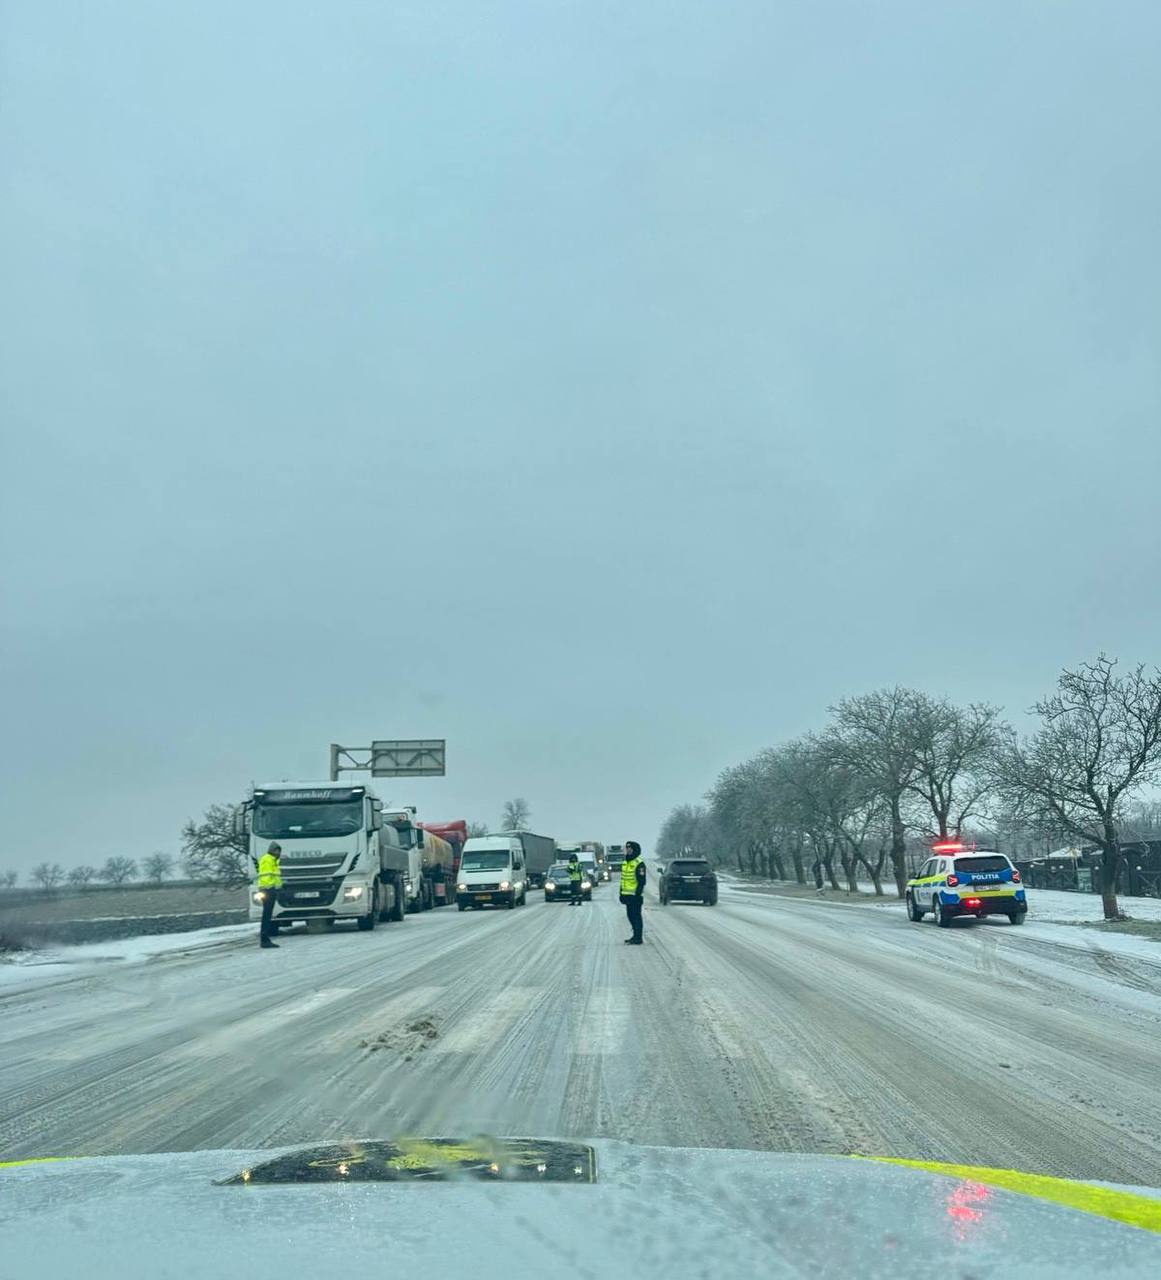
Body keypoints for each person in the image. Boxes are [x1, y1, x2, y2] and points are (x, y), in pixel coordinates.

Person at [257, 842, 283, 948]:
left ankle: (265, 938)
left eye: (279, 851)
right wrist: (270, 888)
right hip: (268, 890)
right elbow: (266, 875)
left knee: (267, 915)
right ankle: (264, 939)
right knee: (266, 915)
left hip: (269, 889)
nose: (278, 853)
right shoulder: (268, 860)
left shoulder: (272, 860)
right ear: (272, 850)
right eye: (276, 850)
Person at [620, 841, 646, 944]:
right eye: (627, 848)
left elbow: (642, 881)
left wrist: (637, 894)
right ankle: (635, 936)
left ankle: (638, 938)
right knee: (630, 916)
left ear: (634, 850)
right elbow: (623, 879)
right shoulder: (625, 862)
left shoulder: (639, 863)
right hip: (627, 895)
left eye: (630, 848)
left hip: (635, 896)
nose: (628, 850)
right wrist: (621, 893)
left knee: (636, 917)